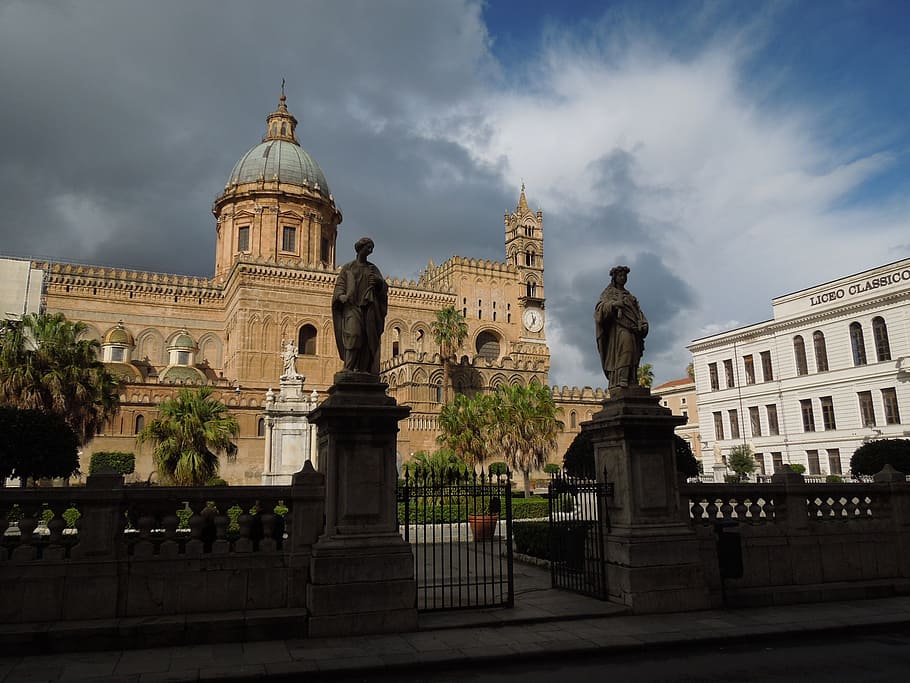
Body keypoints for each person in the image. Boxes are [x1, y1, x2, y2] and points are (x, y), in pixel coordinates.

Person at [332, 237, 388, 374]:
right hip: (352, 307)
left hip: (368, 308)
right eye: (368, 248)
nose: (370, 251)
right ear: (360, 248)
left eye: (371, 248)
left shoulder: (373, 269)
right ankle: (349, 367)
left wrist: (379, 283)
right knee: (353, 334)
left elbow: (384, 288)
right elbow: (340, 286)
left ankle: (364, 369)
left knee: (367, 339)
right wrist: (341, 296)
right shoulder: (348, 268)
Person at [594, 265, 649, 388]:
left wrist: (644, 324)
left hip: (634, 329)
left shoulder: (630, 296)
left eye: (625, 276)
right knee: (626, 349)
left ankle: (632, 380)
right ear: (614, 277)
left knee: (634, 353)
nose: (623, 278)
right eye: (620, 275)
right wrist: (613, 305)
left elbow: (638, 313)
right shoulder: (609, 294)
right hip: (619, 330)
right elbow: (599, 309)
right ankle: (621, 378)